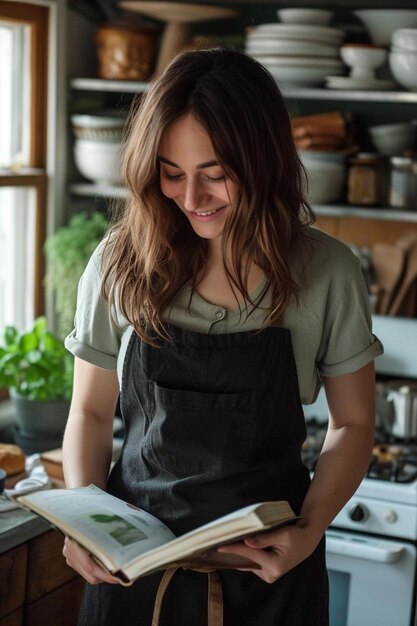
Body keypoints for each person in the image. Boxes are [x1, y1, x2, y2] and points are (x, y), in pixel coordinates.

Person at [62, 47, 383, 626]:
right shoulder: (118, 262)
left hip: (268, 583)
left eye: (215, 175)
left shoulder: (328, 271)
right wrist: (85, 526)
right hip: (133, 579)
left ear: (263, 164)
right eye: (171, 173)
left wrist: (308, 531)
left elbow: (354, 424)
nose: (191, 199)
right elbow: (88, 412)